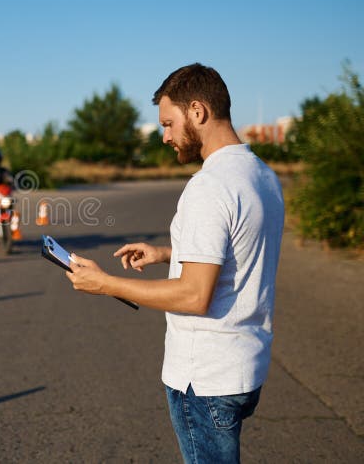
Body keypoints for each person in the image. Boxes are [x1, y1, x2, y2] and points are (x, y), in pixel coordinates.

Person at [65, 63, 284, 463]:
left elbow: (194, 294)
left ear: (197, 112)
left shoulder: (209, 186)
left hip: (204, 378)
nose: (164, 136)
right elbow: (242, 248)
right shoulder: (262, 175)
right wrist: (168, 254)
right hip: (246, 367)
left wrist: (105, 283)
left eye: (168, 123)